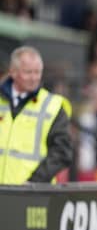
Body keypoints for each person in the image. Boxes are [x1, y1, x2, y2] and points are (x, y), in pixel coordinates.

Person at [0, 46, 72, 184]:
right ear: (13, 72)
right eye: (28, 72)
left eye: (37, 72)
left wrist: (35, 182)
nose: (33, 78)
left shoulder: (53, 106)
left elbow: (62, 152)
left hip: (32, 195)